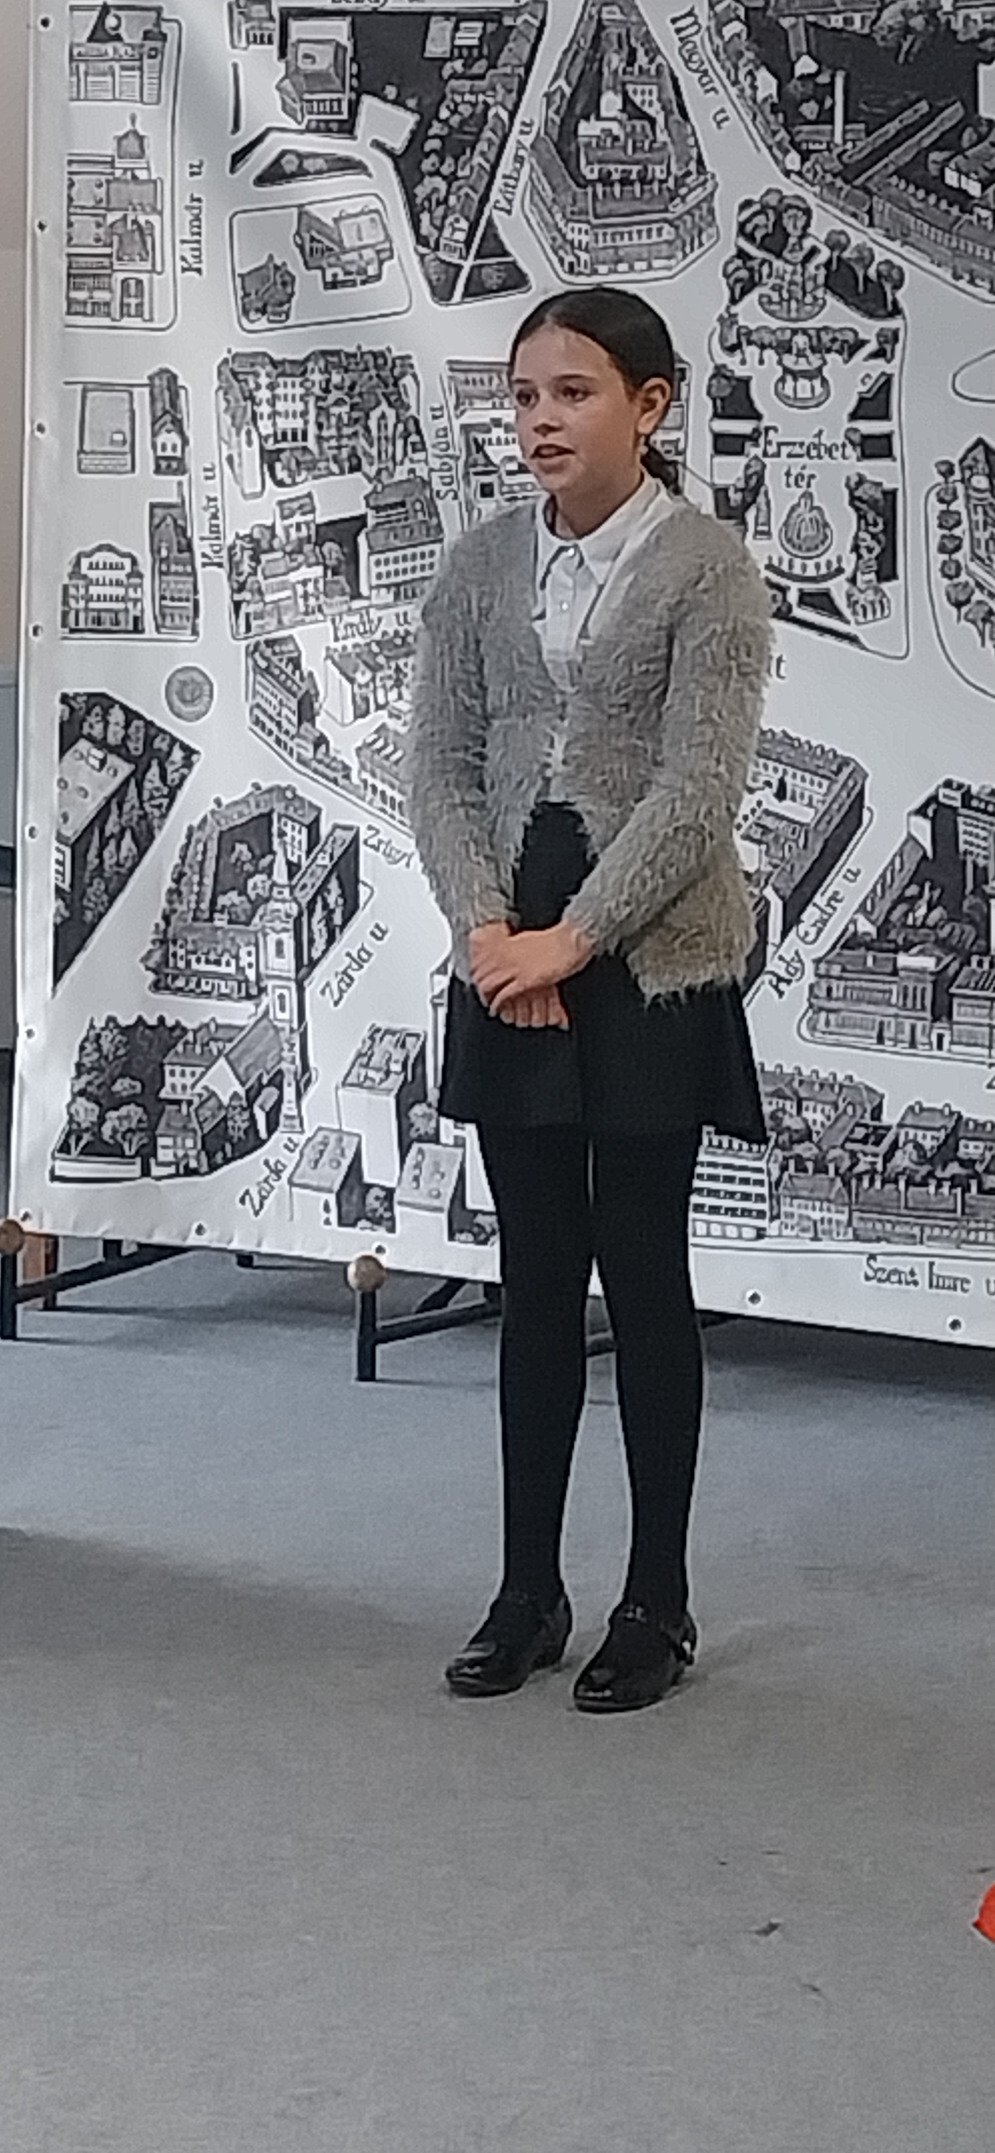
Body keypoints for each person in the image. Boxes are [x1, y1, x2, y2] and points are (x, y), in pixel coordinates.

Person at [402, 284, 773, 1713]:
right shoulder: (479, 564)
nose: (541, 421)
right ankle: (527, 1591)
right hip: (508, 956)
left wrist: (573, 943)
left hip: (648, 963)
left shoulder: (709, 570)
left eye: (573, 392)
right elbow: (439, 762)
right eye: (523, 396)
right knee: (536, 1283)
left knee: (646, 1278)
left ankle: (656, 1600)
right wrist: (490, 933)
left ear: (649, 405)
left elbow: (700, 789)